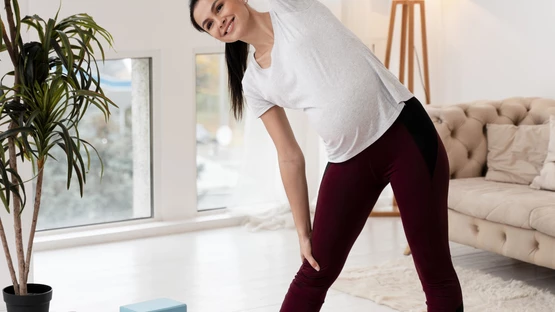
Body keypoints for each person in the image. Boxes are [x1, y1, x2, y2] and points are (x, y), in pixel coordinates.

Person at [189, 0, 464, 311]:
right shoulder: (254, 83)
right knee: (314, 270)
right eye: (208, 24)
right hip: (348, 161)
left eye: (218, 6)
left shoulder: (291, 8)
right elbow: (289, 155)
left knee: (435, 271)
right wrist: (303, 230)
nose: (219, 20)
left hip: (406, 136)